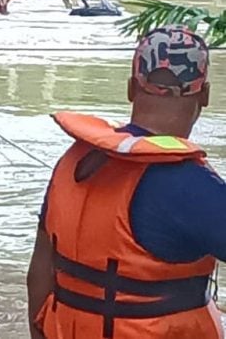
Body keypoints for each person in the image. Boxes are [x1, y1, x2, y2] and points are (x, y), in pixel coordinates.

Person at [27, 26, 225, 339]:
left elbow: (39, 273)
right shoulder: (191, 185)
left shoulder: (74, 161)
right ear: (205, 95)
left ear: (132, 88)